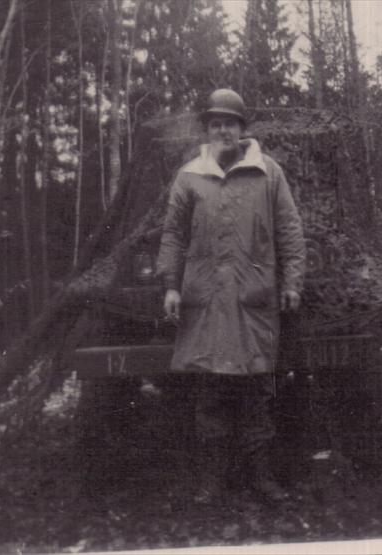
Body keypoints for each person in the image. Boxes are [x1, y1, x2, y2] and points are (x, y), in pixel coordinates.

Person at [156, 89, 306, 505]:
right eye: (216, 123)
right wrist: (170, 284)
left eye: (231, 123)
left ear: (243, 129)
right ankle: (212, 483)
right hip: (204, 303)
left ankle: (261, 479)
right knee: (210, 396)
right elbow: (173, 234)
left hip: (253, 302)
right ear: (207, 129)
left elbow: (290, 231)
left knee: (258, 395)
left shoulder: (269, 173)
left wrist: (292, 282)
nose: (223, 130)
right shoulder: (189, 176)